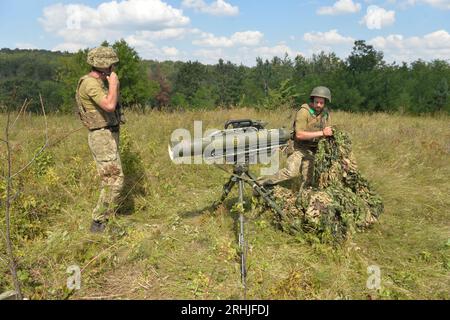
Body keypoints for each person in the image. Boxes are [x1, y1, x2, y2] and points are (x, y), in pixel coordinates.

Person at [75, 46, 124, 233]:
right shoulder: (90, 84)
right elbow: (109, 105)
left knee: (111, 179)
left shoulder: (98, 82)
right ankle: (99, 223)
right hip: (101, 136)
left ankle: (105, 221)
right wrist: (113, 85)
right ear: (104, 65)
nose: (113, 68)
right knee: (114, 180)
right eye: (111, 64)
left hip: (107, 135)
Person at [258, 86, 333, 191]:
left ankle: (303, 199)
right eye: (317, 102)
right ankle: (260, 182)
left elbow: (327, 132)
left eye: (321, 103)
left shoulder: (325, 115)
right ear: (312, 101)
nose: (319, 105)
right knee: (291, 172)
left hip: (312, 150)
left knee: (308, 180)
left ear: (325, 103)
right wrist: (321, 133)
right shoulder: (304, 112)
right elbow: (299, 134)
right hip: (298, 147)